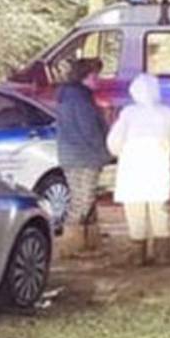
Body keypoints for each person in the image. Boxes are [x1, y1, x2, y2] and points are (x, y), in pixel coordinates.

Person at [106, 73, 170, 266]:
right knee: (159, 210)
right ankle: (163, 254)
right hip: (158, 168)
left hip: (132, 170)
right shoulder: (169, 113)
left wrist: (119, 152)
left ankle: (137, 254)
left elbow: (114, 141)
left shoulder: (128, 113)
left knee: (135, 210)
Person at [55, 58, 110, 251]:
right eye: (95, 76)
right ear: (84, 77)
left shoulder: (71, 96)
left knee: (84, 198)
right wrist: (105, 152)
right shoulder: (80, 99)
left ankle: (85, 241)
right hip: (84, 156)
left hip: (73, 155)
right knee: (83, 200)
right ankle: (71, 244)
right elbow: (90, 130)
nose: (98, 80)